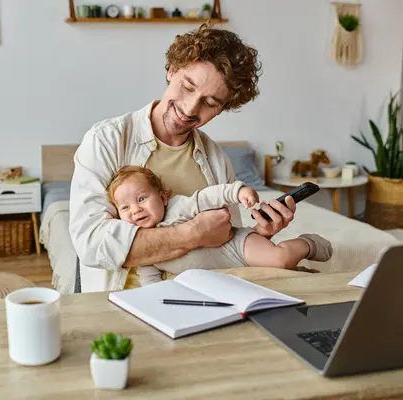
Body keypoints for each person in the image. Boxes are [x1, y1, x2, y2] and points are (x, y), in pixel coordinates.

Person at [69, 24, 297, 292]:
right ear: (172, 70)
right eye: (187, 87)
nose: (190, 109)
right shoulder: (106, 141)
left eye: (210, 103)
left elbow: (223, 244)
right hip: (122, 306)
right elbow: (92, 244)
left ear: (223, 109)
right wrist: (193, 234)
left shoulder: (217, 161)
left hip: (204, 303)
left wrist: (258, 237)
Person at [106, 165, 333, 285]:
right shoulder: (141, 246)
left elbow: (208, 196)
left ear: (163, 197)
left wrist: (238, 191)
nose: (135, 210)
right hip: (224, 277)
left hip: (238, 245)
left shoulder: (178, 207)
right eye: (125, 208)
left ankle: (308, 244)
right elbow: (151, 282)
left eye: (141, 199)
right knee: (274, 278)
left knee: (279, 260)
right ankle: (302, 268)